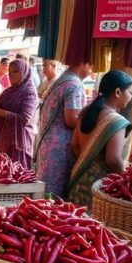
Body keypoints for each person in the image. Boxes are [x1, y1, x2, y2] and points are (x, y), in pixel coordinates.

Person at [65, 70, 132, 207]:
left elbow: (74, 146)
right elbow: (113, 160)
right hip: (99, 188)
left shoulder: (86, 113)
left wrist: (88, 163)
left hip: (78, 181)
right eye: (130, 92)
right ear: (118, 92)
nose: (131, 97)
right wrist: (128, 180)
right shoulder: (117, 121)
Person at [34, 61, 87, 197]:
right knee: (54, 201)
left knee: (47, 197)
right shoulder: (74, 85)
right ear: (85, 64)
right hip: (60, 150)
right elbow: (72, 119)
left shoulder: (62, 80)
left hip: (48, 146)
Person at [0, 58, 38, 167]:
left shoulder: (29, 93)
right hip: (2, 140)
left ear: (24, 72)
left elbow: (25, 118)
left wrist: (1, 113)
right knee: (1, 174)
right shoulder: (7, 92)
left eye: (15, 71)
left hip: (17, 142)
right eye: (10, 72)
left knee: (17, 174)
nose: (11, 75)